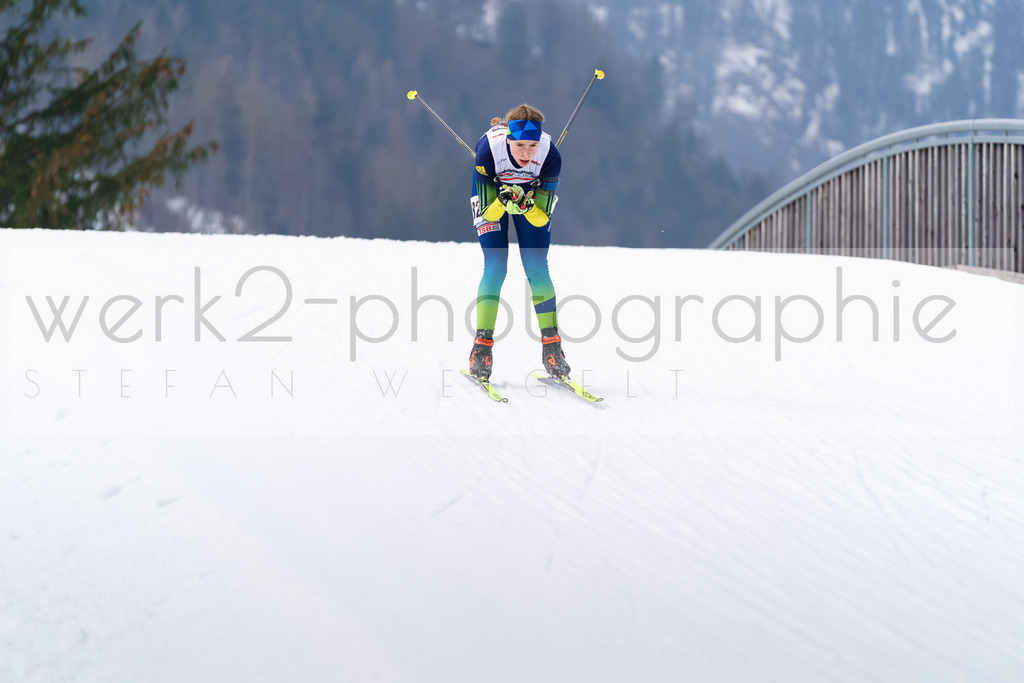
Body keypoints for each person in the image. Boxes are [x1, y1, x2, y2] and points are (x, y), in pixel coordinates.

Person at [467, 104, 571, 381]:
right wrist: (502, 201)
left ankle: (552, 349)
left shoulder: (550, 156)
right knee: (496, 265)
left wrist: (527, 206)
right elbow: (489, 212)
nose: (527, 153)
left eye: (533, 145)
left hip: (530, 197)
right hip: (493, 195)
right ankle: (481, 349)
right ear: (508, 140)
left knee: (537, 266)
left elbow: (540, 219)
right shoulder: (488, 151)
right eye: (520, 145)